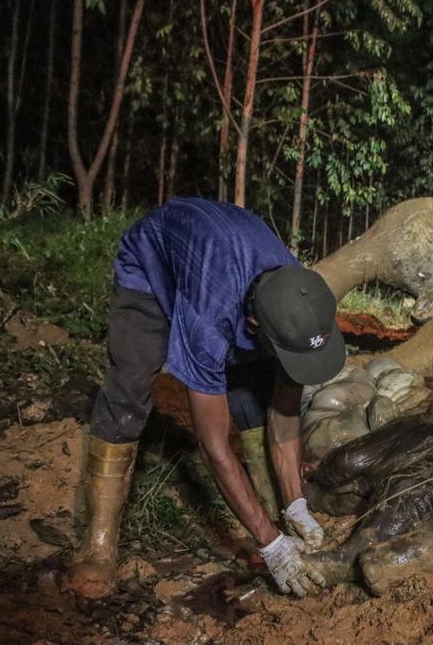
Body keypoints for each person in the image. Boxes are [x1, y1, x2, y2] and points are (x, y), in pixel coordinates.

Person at [65, 198, 346, 598]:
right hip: (150, 266)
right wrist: (271, 544)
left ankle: (273, 518)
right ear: (253, 325)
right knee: (129, 391)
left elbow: (284, 411)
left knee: (254, 392)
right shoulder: (208, 322)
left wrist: (296, 504)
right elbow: (214, 448)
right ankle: (98, 543)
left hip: (226, 264)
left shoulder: (296, 298)